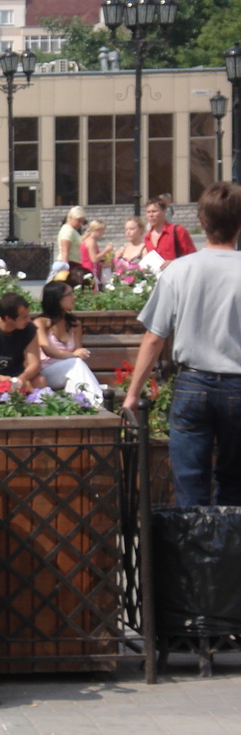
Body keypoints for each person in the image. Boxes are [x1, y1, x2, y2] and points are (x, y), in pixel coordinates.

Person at [124, 181, 241, 507]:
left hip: (192, 383)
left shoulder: (179, 270)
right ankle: (231, 556)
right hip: (238, 386)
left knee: (189, 485)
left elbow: (154, 337)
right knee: (235, 485)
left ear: (201, 222)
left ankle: (194, 556)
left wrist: (134, 393)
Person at [34, 280, 104, 403]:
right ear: (57, 299)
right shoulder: (41, 323)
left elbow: (78, 350)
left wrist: (78, 354)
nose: (74, 297)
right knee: (76, 363)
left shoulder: (74, 324)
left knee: (75, 384)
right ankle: (100, 405)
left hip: (72, 372)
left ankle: (84, 412)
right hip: (47, 374)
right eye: (70, 294)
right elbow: (47, 349)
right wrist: (73, 355)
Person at [144, 195, 195, 268]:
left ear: (164, 211)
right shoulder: (147, 238)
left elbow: (192, 257)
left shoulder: (178, 231)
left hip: (177, 275)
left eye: (154, 211)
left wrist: (174, 263)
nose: (151, 215)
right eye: (148, 212)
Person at [53, 206, 86, 277]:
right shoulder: (68, 231)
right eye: (78, 221)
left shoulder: (73, 230)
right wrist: (65, 270)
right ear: (70, 218)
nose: (80, 224)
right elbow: (65, 251)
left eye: (82, 221)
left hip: (74, 263)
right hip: (70, 263)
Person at [79, 220, 111, 288]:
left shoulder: (86, 240)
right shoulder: (91, 241)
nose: (103, 233)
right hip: (91, 270)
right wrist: (106, 250)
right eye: (102, 231)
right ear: (97, 230)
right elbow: (94, 259)